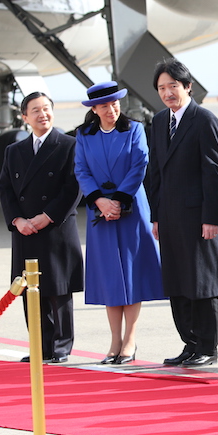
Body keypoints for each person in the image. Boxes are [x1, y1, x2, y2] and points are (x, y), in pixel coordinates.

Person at [74, 82, 166, 365]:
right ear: (94, 109)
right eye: (105, 106)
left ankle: (130, 339)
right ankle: (114, 340)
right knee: (110, 276)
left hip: (130, 209)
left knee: (131, 273)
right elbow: (81, 169)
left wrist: (119, 200)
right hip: (99, 211)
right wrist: (100, 201)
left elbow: (140, 163)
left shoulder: (134, 129)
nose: (112, 110)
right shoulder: (84, 134)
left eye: (115, 104)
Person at [148, 59, 218, 367]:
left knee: (201, 282)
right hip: (168, 215)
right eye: (162, 88)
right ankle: (189, 343)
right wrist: (155, 215)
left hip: (196, 216)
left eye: (173, 87)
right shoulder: (158, 122)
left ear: (188, 86)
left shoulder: (203, 119)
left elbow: (213, 172)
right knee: (177, 281)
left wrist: (211, 218)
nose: (168, 93)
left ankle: (207, 346)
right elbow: (155, 172)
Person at [0, 91, 83, 363]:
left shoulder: (69, 144)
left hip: (55, 227)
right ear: (25, 117)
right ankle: (40, 346)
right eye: (35, 110)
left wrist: (47, 216)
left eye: (46, 108)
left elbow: (74, 187)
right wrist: (17, 220)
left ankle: (60, 347)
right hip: (25, 230)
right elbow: (5, 188)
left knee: (58, 290)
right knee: (31, 293)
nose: (42, 114)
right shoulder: (14, 151)